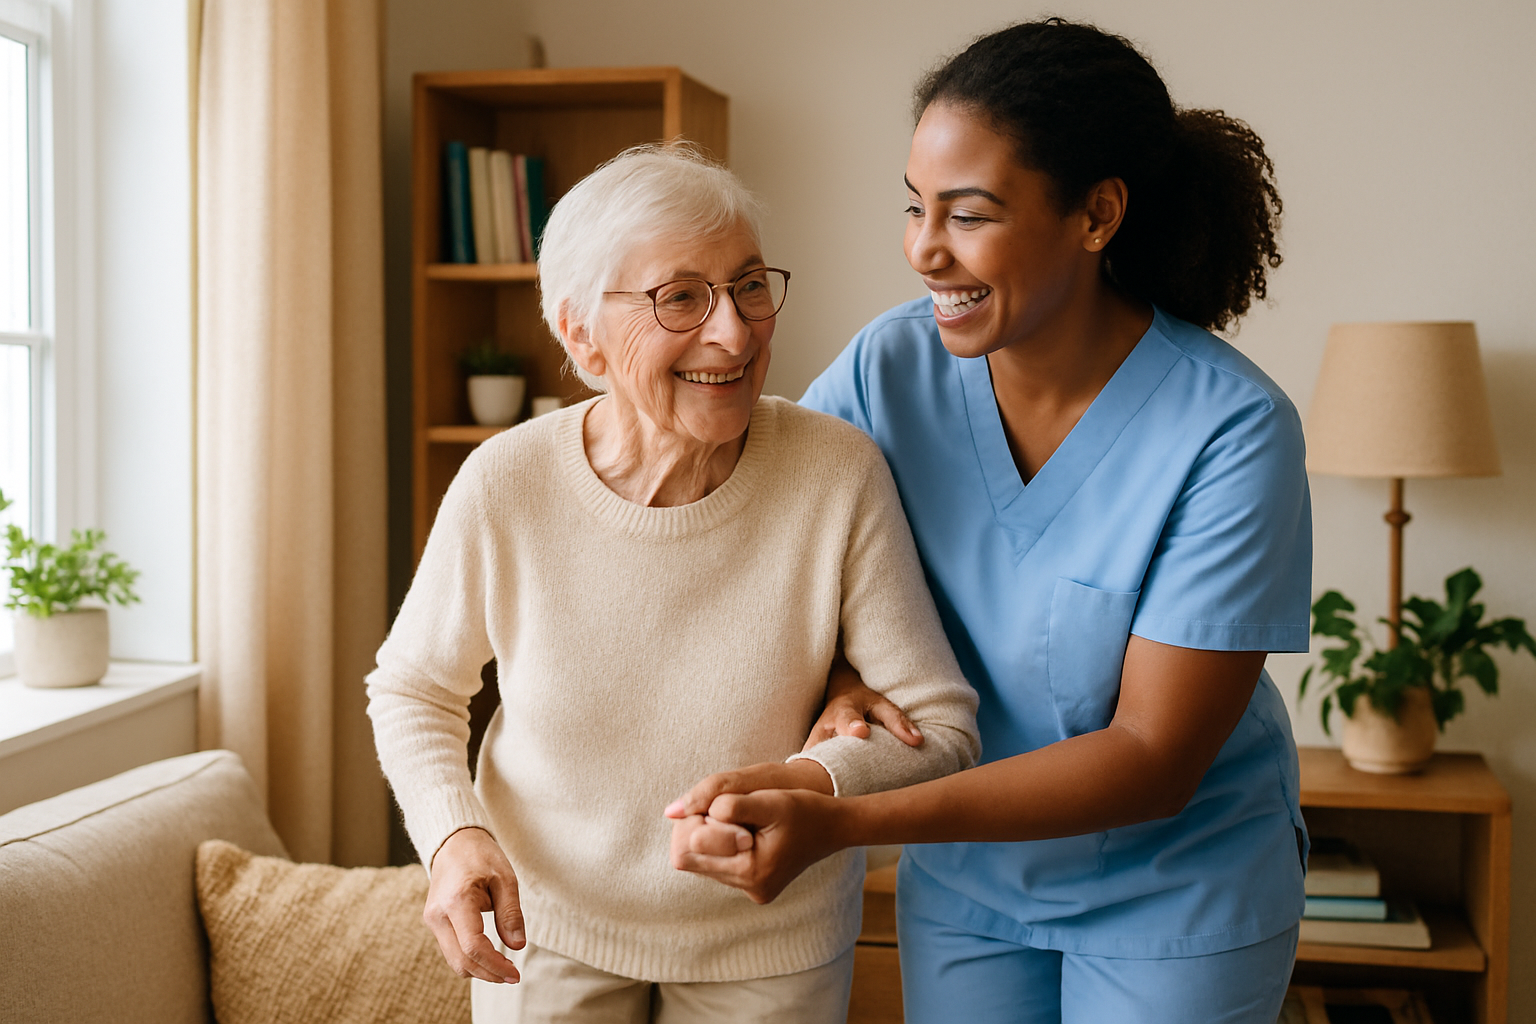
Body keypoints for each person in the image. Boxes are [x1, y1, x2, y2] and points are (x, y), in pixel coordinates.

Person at [668, 19, 1311, 1024]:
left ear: (1096, 216)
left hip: (1177, 887)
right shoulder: (890, 369)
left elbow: (1153, 756)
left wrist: (846, 818)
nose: (927, 250)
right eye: (916, 208)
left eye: (969, 214)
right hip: (970, 886)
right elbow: (785, 556)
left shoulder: (1230, 430)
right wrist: (842, 675)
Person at [365, 144, 979, 1024]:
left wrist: (810, 779)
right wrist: (453, 838)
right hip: (545, 927)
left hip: (772, 941)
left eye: (749, 286)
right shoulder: (508, 481)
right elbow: (414, 688)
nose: (733, 332)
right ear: (582, 334)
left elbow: (942, 730)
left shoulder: (836, 474)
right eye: (680, 298)